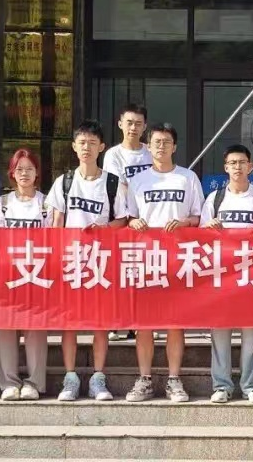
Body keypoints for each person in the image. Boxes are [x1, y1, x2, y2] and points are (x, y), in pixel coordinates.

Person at [46, 120, 130, 402]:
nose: (87, 148)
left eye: (92, 143)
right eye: (82, 142)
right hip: (70, 260)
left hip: (101, 262)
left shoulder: (112, 182)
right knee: (69, 323)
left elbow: (123, 220)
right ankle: (70, 378)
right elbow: (56, 223)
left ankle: (98, 378)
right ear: (74, 146)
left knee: (100, 323)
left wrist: (104, 229)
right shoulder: (64, 182)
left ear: (101, 147)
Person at [124, 122, 204, 403]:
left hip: (179, 259)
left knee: (175, 322)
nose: (161, 146)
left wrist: (184, 222)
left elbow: (198, 217)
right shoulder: (138, 180)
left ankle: (173, 379)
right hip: (146, 258)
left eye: (166, 142)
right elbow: (128, 217)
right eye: (156, 142)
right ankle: (144, 379)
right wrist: (133, 222)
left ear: (175, 146)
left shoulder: (188, 178)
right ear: (148, 146)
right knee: (144, 323)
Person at [201, 144, 253, 404]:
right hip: (221, 275)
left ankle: (250, 386)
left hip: (252, 275)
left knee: (251, 333)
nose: (237, 167)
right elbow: (200, 237)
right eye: (232, 163)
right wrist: (208, 227)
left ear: (250, 166)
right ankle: (221, 386)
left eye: (242, 162)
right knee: (220, 332)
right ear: (225, 167)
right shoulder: (215, 199)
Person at [0, 148, 53, 401]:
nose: (24, 173)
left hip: (38, 273)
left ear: (37, 172)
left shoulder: (47, 203)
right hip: (8, 274)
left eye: (29, 168)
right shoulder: (3, 204)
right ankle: (9, 382)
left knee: (35, 329)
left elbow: (54, 239)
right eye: (19, 169)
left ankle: (34, 383)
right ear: (12, 173)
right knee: (6, 328)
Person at [103, 103, 153, 342]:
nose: (133, 128)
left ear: (145, 127)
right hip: (122, 220)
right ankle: (118, 322)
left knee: (145, 272)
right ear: (120, 124)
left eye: (138, 124)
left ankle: (143, 322)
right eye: (129, 123)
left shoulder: (151, 151)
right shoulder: (113, 154)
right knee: (120, 273)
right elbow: (119, 185)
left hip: (147, 222)